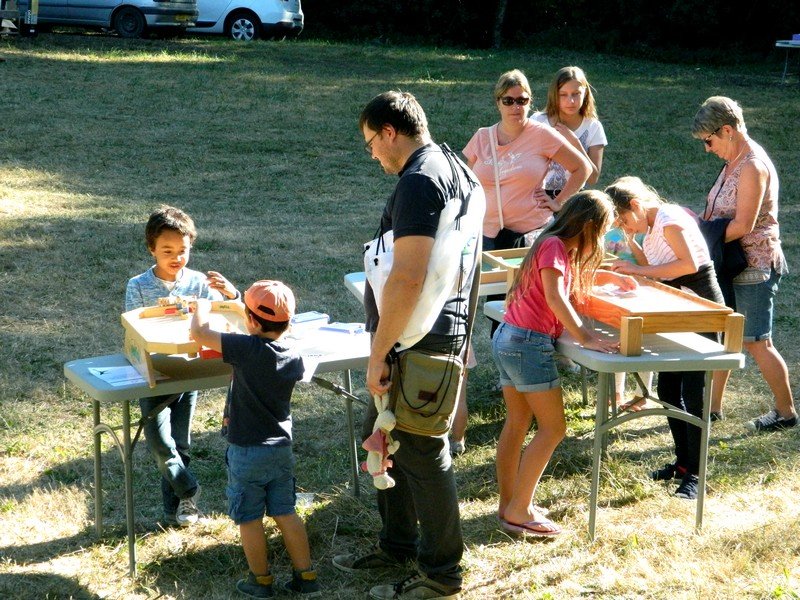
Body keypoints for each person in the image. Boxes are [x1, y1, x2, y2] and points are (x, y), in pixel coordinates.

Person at [332, 91, 484, 600]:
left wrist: (379, 352)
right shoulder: (460, 169)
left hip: (417, 341)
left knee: (421, 452)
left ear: (390, 132)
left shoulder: (420, 181)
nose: (373, 154)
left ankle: (443, 575)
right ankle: (397, 545)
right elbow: (470, 264)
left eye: (371, 143)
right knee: (386, 438)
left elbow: (409, 275)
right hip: (437, 336)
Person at [493, 190, 636, 536]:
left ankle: (510, 503)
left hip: (509, 337)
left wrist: (610, 277)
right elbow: (557, 298)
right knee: (554, 428)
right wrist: (588, 337)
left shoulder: (554, 245)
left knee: (517, 422)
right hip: (528, 343)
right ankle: (520, 511)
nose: (601, 240)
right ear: (587, 225)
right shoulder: (556, 247)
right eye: (601, 232)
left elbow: (561, 287)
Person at [190, 280, 321, 598]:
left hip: (247, 451)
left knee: (249, 518)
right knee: (285, 511)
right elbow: (260, 326)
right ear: (290, 321)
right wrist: (237, 300)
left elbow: (200, 334)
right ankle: (307, 577)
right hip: (280, 449)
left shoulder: (245, 348)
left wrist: (200, 308)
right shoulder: (293, 353)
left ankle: (260, 581)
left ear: (249, 320)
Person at [605, 176, 725, 499]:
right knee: (667, 388)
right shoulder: (649, 226)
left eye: (627, 221)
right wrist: (631, 247)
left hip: (702, 308)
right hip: (679, 309)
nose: (628, 227)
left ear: (635, 204)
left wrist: (637, 271)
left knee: (693, 391)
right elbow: (655, 266)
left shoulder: (671, 220)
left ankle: (697, 476)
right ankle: (683, 463)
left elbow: (685, 265)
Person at [125, 206, 239, 526]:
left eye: (183, 250)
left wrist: (232, 293)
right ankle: (189, 489)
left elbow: (230, 314)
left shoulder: (199, 282)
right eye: (167, 251)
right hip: (154, 370)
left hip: (190, 368)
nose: (176, 257)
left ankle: (176, 509)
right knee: (160, 442)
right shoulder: (138, 285)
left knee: (181, 440)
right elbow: (134, 328)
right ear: (152, 249)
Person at [692, 96, 796, 432]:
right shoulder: (734, 161)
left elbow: (743, 225)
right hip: (734, 263)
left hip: (753, 265)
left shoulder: (751, 165)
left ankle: (786, 412)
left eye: (709, 140)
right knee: (726, 337)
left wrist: (699, 235)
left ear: (727, 130)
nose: (708, 149)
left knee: (755, 341)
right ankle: (713, 408)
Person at [531, 65, 607, 195]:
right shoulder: (538, 121)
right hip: (538, 195)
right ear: (555, 95)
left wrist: (574, 142)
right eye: (563, 95)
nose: (570, 101)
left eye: (576, 94)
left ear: (585, 93)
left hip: (573, 198)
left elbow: (593, 178)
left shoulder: (593, 127)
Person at [603, 227, 654, 412]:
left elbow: (648, 266)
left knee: (643, 341)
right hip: (614, 291)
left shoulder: (644, 232)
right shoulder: (607, 230)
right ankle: (617, 392)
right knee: (619, 339)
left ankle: (642, 394)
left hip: (639, 291)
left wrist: (632, 241)